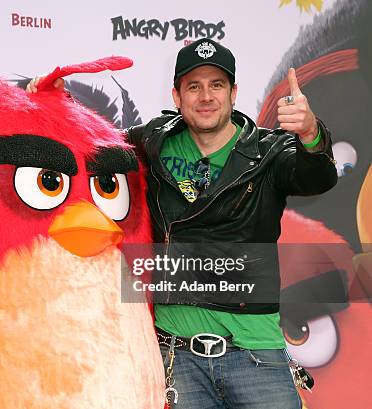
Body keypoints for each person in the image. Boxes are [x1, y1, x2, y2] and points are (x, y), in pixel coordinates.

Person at [27, 38, 337, 408]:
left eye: (216, 85)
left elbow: (317, 176)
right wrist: (60, 104)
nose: (205, 96)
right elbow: (93, 148)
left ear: (233, 92)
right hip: (179, 359)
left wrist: (309, 133)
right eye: (194, 86)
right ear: (177, 95)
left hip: (255, 358)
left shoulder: (268, 153)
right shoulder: (153, 142)